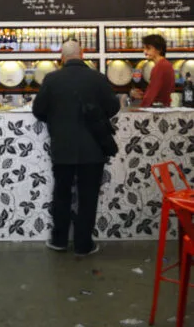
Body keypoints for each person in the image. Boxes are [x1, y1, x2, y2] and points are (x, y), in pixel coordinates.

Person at [32, 39, 120, 256]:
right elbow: (113, 106)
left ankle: (59, 241)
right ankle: (83, 245)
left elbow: (38, 110)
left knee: (61, 194)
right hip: (93, 148)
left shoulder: (52, 79)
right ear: (83, 53)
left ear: (62, 57)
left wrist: (55, 119)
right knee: (88, 197)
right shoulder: (97, 78)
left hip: (62, 147)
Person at [130, 34, 175, 107]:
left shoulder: (160, 66)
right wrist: (143, 95)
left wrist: (141, 108)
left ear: (159, 49)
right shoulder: (166, 64)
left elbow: (153, 91)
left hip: (159, 108)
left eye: (148, 48)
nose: (145, 52)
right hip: (165, 106)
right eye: (144, 48)